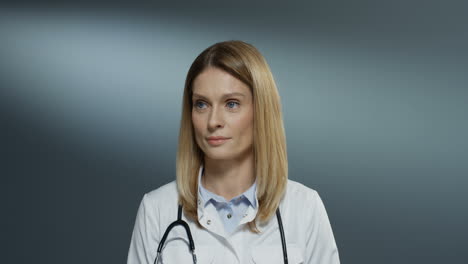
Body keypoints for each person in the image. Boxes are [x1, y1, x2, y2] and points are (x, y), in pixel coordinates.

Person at [127, 40, 340, 264]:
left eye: (231, 104)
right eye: (201, 104)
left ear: (261, 111)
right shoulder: (157, 209)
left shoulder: (304, 207)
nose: (213, 121)